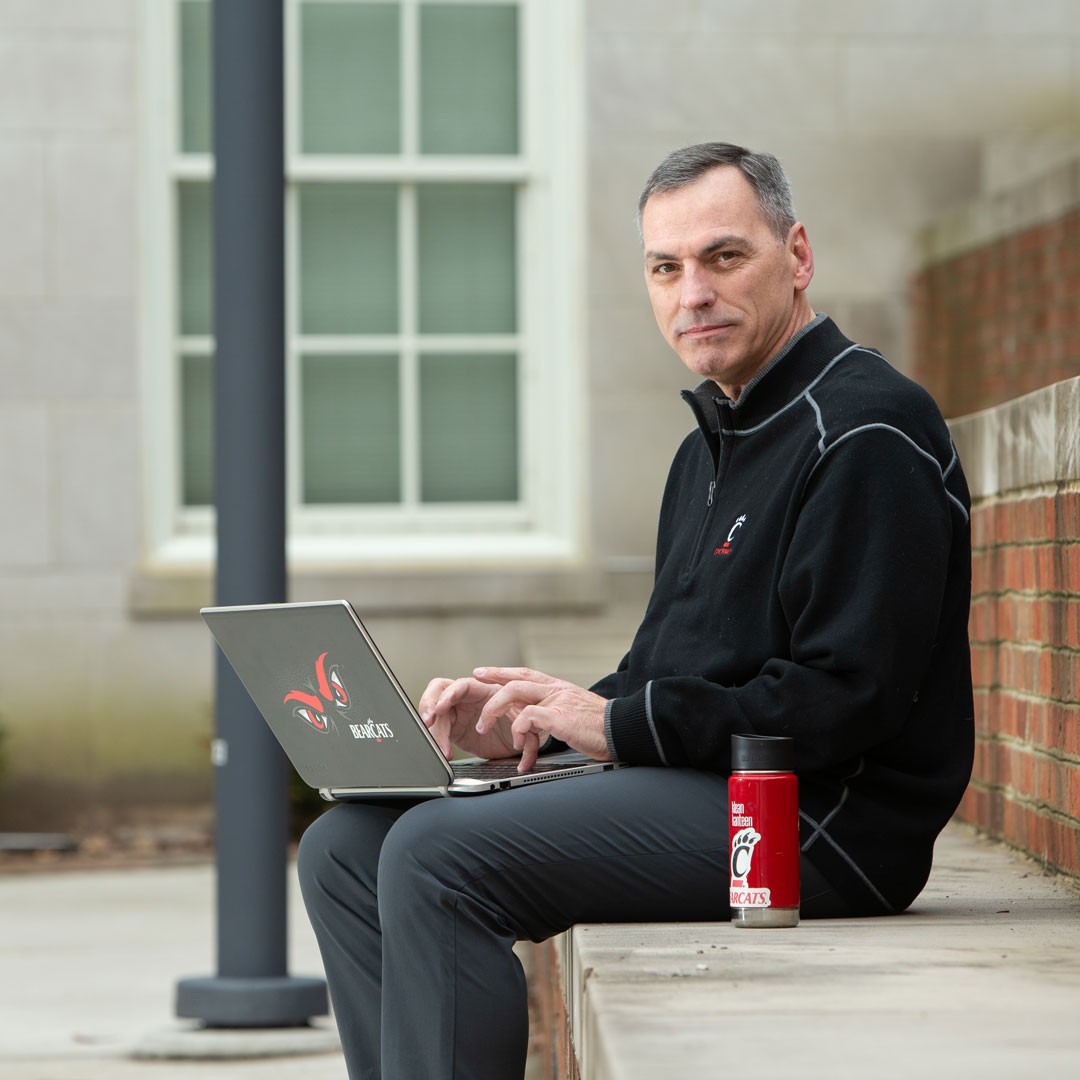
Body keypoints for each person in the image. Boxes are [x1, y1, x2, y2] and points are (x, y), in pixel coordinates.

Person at [298, 142, 974, 1080]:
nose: (691, 292)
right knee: (341, 848)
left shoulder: (864, 430)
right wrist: (535, 725)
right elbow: (670, 680)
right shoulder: (708, 449)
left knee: (434, 856)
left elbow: (841, 701)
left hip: (818, 826)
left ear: (799, 257)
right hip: (720, 790)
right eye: (666, 267)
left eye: (723, 257)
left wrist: (612, 722)